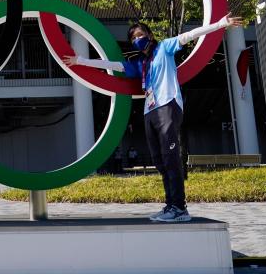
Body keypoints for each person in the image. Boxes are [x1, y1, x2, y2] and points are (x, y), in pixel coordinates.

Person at [64, 14, 244, 223]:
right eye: (133, 39)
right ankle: (170, 205)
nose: (137, 40)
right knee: (159, 161)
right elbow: (114, 65)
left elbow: (190, 35)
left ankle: (179, 208)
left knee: (170, 158)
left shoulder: (165, 48)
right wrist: (80, 61)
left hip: (167, 105)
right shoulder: (141, 63)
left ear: (149, 35)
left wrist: (221, 24)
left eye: (140, 35)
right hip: (150, 111)